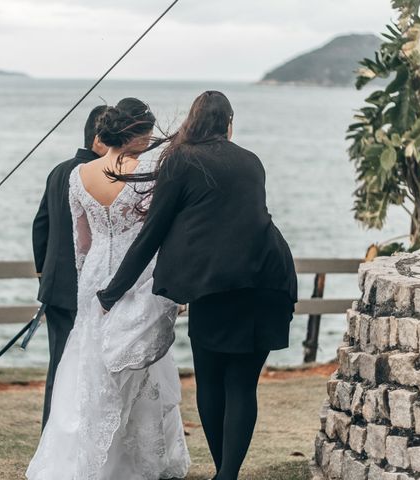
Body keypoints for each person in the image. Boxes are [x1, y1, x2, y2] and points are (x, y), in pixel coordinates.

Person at [97, 91, 298, 480]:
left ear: (192, 121)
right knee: (241, 384)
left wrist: (112, 291)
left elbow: (152, 232)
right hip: (269, 279)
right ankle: (227, 475)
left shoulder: (181, 159)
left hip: (217, 286)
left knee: (210, 379)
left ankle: (224, 475)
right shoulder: (251, 161)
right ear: (228, 123)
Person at [26, 98, 190, 480]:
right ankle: (132, 460)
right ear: (137, 133)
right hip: (138, 277)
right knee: (137, 361)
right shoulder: (147, 173)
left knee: (89, 361)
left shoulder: (78, 175)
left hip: (94, 273)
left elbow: (80, 241)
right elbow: (158, 233)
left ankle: (78, 454)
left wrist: (89, 277)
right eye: (147, 131)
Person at [31, 105, 108, 428]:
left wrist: (43, 273)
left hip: (54, 287)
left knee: (59, 365)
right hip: (84, 289)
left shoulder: (59, 170)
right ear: (99, 139)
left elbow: (41, 226)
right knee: (85, 366)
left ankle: (52, 434)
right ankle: (74, 436)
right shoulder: (98, 176)